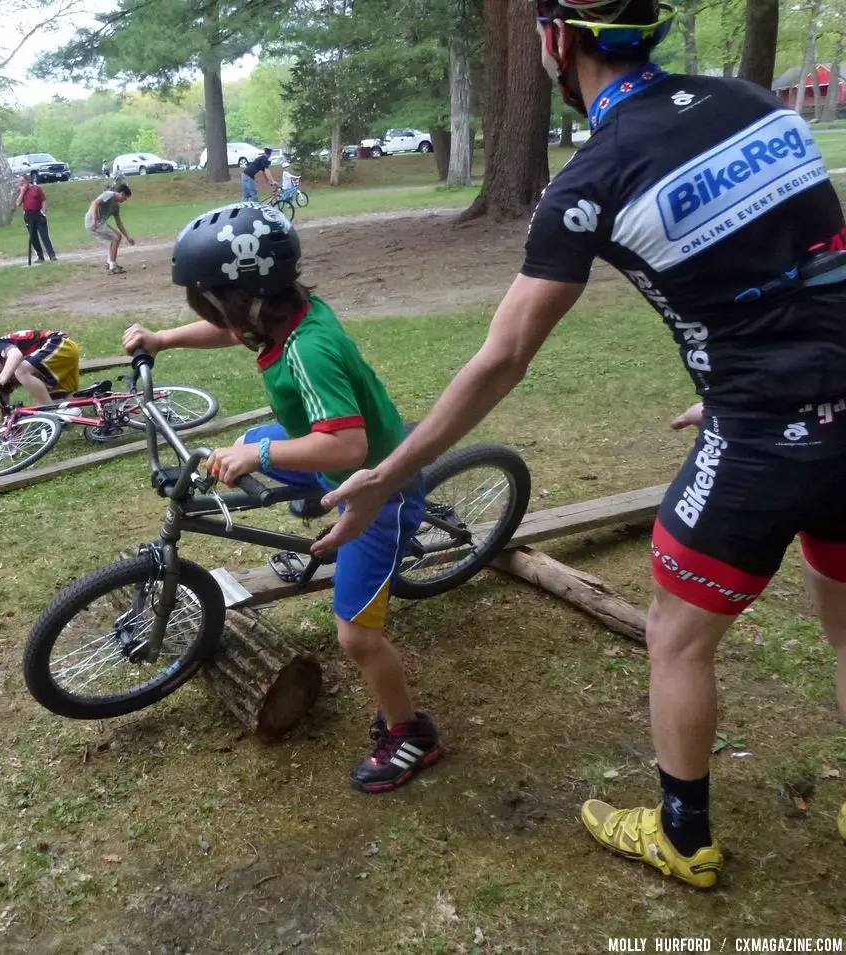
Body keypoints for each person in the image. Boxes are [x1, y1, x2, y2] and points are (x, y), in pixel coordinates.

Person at [314, 0, 846, 888]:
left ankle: (683, 836)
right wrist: (729, 385)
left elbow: (503, 358)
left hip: (761, 439)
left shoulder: (588, 184)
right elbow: (814, 270)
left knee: (677, 638)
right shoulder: (757, 104)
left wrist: (388, 474)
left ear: (558, 43)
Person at [122, 202, 442, 792]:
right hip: (327, 452)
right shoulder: (279, 314)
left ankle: (411, 733)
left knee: (357, 636)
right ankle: (304, 493)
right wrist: (162, 338)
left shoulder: (308, 349)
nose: (209, 313)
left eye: (206, 298)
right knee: (246, 441)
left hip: (373, 488)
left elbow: (348, 446)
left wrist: (262, 459)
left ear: (237, 297)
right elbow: (230, 331)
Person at [0, 329, 80, 406]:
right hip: (59, 356)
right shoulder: (1, 364)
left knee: (21, 370)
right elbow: (3, 393)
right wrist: (2, 421)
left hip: (59, 344)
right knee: (62, 402)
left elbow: (16, 355)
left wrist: (1, 378)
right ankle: (98, 396)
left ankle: (48, 410)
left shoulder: (0, 346)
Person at [85, 183, 134, 274]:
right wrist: (95, 221)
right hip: (93, 221)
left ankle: (109, 262)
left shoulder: (116, 206)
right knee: (115, 238)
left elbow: (118, 222)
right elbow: (95, 203)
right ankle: (113, 266)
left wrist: (127, 237)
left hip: (101, 222)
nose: (125, 200)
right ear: (122, 193)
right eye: (125, 197)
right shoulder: (109, 194)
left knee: (117, 236)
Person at [16, 174, 57, 264]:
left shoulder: (36, 189)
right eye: (20, 182)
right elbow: (18, 203)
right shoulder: (22, 191)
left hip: (38, 214)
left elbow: (43, 200)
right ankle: (40, 256)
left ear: (27, 181)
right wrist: (22, 192)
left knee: (44, 236)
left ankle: (52, 255)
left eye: (22, 181)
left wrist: (43, 212)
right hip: (28, 215)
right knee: (33, 237)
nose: (21, 183)